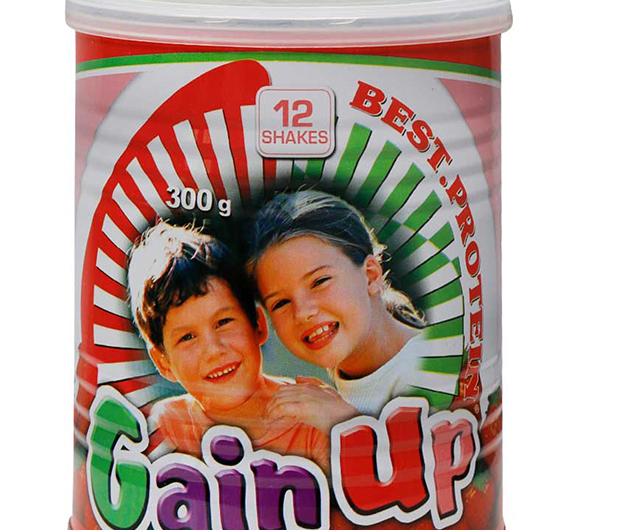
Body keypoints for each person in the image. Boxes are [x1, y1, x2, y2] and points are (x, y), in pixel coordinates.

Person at [126, 221, 329, 470]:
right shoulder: (166, 427)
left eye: (223, 322)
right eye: (187, 337)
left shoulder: (312, 415)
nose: (214, 350)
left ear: (258, 324)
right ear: (163, 362)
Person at [245, 190, 426, 430]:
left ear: (371, 275)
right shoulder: (334, 395)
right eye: (280, 303)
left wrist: (343, 422)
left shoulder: (439, 367)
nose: (302, 313)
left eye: (319, 282)